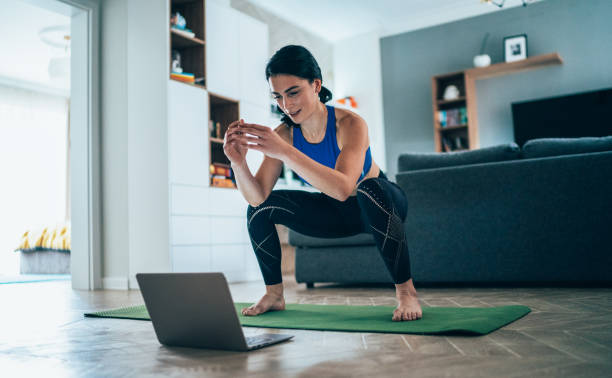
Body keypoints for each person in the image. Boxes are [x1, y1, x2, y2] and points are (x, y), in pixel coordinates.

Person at [223, 45, 422, 321]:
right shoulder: (285, 134)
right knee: (260, 209)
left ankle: (407, 294)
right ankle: (274, 294)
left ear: (316, 85)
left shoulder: (350, 124)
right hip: (336, 213)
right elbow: (257, 198)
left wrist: (283, 151)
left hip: (380, 206)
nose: (286, 105)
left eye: (293, 92)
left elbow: (343, 188)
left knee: (369, 188)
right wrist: (237, 162)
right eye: (278, 97)